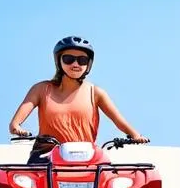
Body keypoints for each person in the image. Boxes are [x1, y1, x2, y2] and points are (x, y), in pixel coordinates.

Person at [8, 35, 149, 161]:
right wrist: (17, 128)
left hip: (85, 156)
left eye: (82, 60)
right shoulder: (41, 89)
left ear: (88, 64)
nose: (75, 64)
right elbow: (15, 124)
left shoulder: (96, 92)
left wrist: (135, 135)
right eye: (69, 59)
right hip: (46, 154)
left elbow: (119, 121)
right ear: (59, 62)